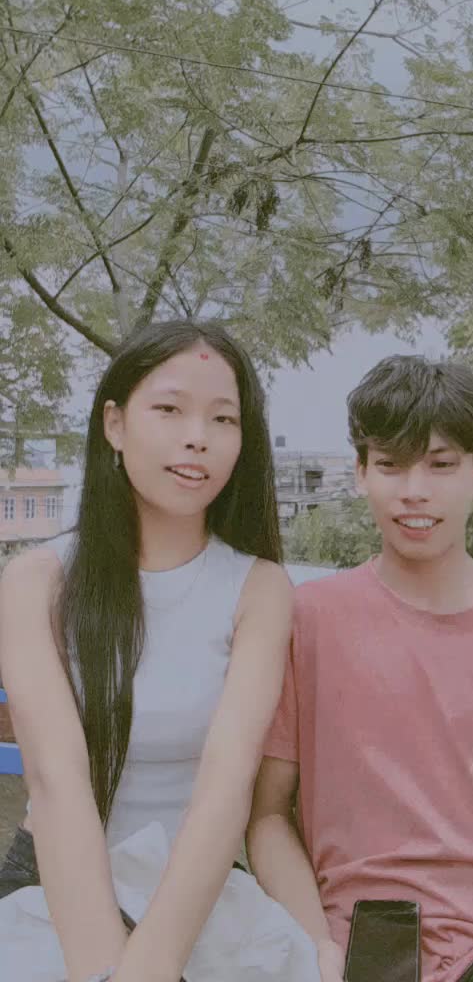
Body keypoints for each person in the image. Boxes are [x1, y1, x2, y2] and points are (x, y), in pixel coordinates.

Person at [0, 320, 320, 982]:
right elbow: (57, 784)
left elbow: (226, 789)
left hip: (198, 895)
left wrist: (151, 965)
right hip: (55, 887)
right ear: (115, 425)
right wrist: (104, 970)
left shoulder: (259, 590)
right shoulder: (35, 582)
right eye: (170, 409)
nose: (197, 436)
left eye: (223, 418)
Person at [247, 355, 473, 982]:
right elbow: (266, 816)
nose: (414, 490)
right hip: (358, 944)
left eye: (441, 465)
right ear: (361, 473)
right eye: (391, 465)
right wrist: (315, 945)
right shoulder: (307, 619)